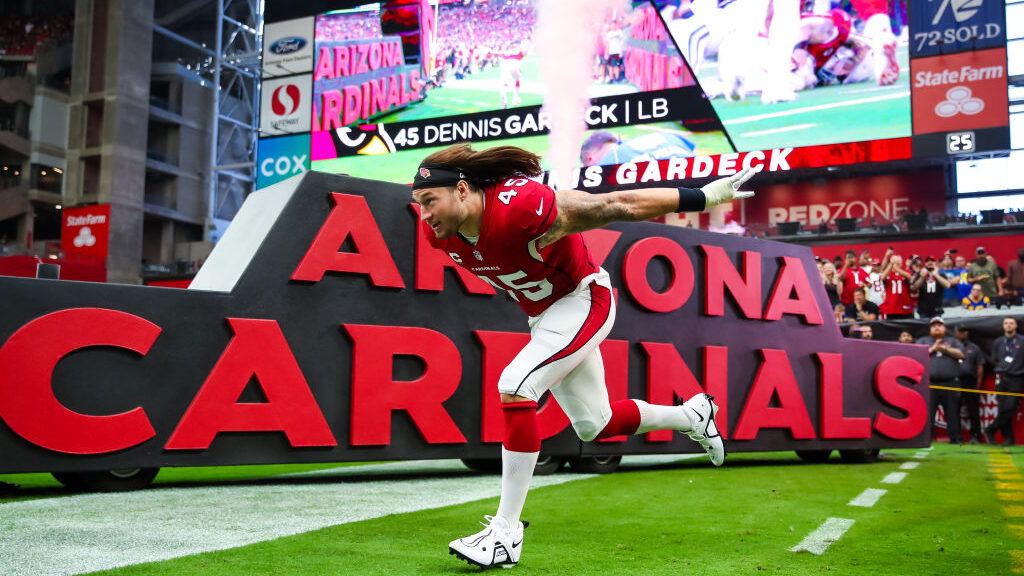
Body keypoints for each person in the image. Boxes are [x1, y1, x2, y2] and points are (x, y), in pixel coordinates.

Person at [412, 143, 753, 568]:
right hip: (545, 316)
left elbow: (616, 204)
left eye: (430, 200)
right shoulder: (440, 234)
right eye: (419, 203)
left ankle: (505, 533)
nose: (424, 214)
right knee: (595, 424)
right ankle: (692, 416)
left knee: (516, 386)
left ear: (462, 190)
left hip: (582, 300)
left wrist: (705, 196)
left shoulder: (520, 207)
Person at [916, 317, 966, 445]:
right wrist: (933, 349)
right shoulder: (923, 340)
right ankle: (925, 439)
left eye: (939, 325)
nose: (937, 328)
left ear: (944, 328)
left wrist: (945, 349)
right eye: (934, 326)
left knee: (953, 412)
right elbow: (916, 356)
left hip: (950, 383)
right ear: (930, 329)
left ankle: (956, 438)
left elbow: (962, 354)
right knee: (928, 412)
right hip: (929, 384)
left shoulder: (953, 341)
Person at [985, 317, 1024, 446]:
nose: (1008, 325)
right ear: (1003, 326)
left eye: (1011, 323)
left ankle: (990, 429)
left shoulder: (1022, 340)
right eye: (1006, 323)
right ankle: (1009, 439)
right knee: (1002, 408)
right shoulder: (998, 342)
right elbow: (994, 359)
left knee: (1010, 407)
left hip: (1016, 377)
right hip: (1001, 377)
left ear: (1016, 325)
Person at [953, 324, 986, 444]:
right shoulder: (950, 346)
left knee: (973, 411)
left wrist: (978, 385)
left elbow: (980, 367)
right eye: (960, 331)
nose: (962, 333)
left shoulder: (974, 347)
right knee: (953, 410)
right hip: (954, 381)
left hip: (969, 382)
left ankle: (976, 436)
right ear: (955, 333)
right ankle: (956, 437)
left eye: (964, 331)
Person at [879, 254, 913, 319]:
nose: (896, 264)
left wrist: (896, 268)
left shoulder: (906, 272)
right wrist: (891, 264)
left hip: (905, 308)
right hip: (891, 308)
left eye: (898, 262)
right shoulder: (889, 274)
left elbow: (909, 276)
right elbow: (882, 277)